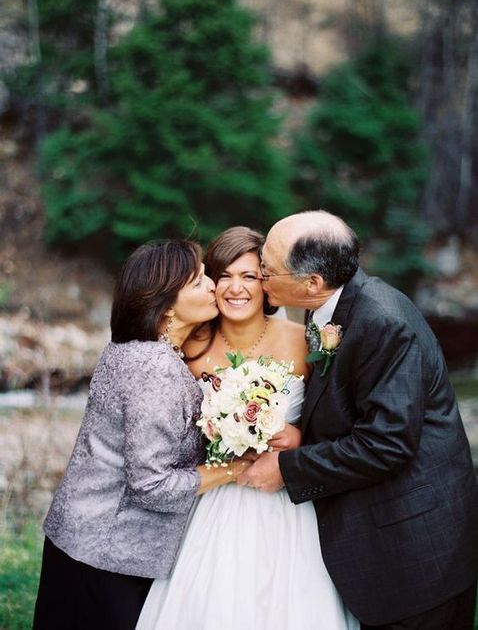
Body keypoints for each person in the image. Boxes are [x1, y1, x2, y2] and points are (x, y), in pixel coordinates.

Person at [238, 211, 478, 630]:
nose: (259, 279)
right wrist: (299, 433)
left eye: (266, 270)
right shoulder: (328, 307)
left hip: (416, 556)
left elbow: (386, 444)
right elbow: (347, 405)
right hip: (389, 537)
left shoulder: (383, 322)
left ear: (312, 282)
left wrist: (287, 468)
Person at [135, 226, 358, 630]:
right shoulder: (190, 350)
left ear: (267, 284)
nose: (235, 288)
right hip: (217, 502)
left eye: (250, 276)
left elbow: (338, 422)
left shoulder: (305, 341)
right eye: (224, 276)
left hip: (290, 501)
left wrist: (300, 437)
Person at [32, 240, 251, 630]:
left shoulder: (129, 349)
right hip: (107, 555)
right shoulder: (156, 369)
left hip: (79, 540)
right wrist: (234, 469)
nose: (213, 286)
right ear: (167, 305)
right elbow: (150, 484)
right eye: (199, 281)